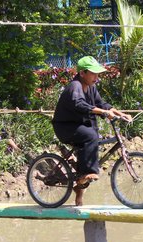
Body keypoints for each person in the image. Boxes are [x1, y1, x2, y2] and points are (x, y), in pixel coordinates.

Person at [52, 56, 131, 206]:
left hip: (80, 125)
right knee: (90, 136)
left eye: (98, 74)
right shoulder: (74, 86)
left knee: (91, 141)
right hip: (65, 127)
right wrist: (103, 112)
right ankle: (87, 172)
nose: (96, 77)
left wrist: (121, 114)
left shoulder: (91, 87)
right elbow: (79, 104)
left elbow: (102, 104)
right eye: (93, 74)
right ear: (82, 73)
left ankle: (79, 190)